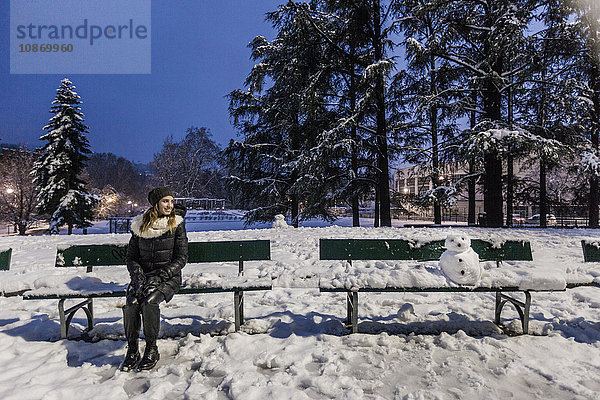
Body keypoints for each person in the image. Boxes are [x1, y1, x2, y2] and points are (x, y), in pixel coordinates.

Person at [121, 187, 188, 372]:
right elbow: (131, 257)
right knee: (132, 302)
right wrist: (137, 275)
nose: (170, 205)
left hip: (168, 276)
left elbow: (181, 258)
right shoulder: (140, 225)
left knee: (149, 302)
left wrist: (161, 276)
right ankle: (133, 349)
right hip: (143, 277)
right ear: (156, 203)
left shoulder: (176, 224)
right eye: (165, 201)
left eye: (171, 201)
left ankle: (152, 348)